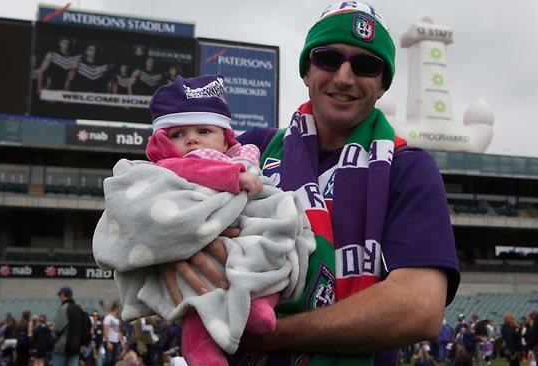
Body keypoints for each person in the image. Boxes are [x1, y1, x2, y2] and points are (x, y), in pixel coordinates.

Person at [157, 1, 460, 365]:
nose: (344, 77)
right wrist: (174, 254)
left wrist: (267, 334)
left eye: (366, 65)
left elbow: (419, 307)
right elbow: (158, 206)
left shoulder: (409, 168)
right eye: (328, 58)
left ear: (382, 85)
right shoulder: (252, 149)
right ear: (306, 70)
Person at [93, 74, 314, 366]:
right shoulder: (172, 165)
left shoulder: (245, 154)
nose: (192, 139)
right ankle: (199, 347)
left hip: (236, 231)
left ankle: (257, 302)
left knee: (277, 230)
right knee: (198, 298)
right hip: (194, 226)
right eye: (178, 134)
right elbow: (197, 172)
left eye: (203, 130)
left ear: (226, 139)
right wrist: (234, 178)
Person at [53, 286, 83, 366]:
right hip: (76, 347)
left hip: (63, 347)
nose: (59, 297)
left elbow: (58, 328)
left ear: (63, 294)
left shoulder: (64, 308)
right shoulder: (78, 308)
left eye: (59, 295)